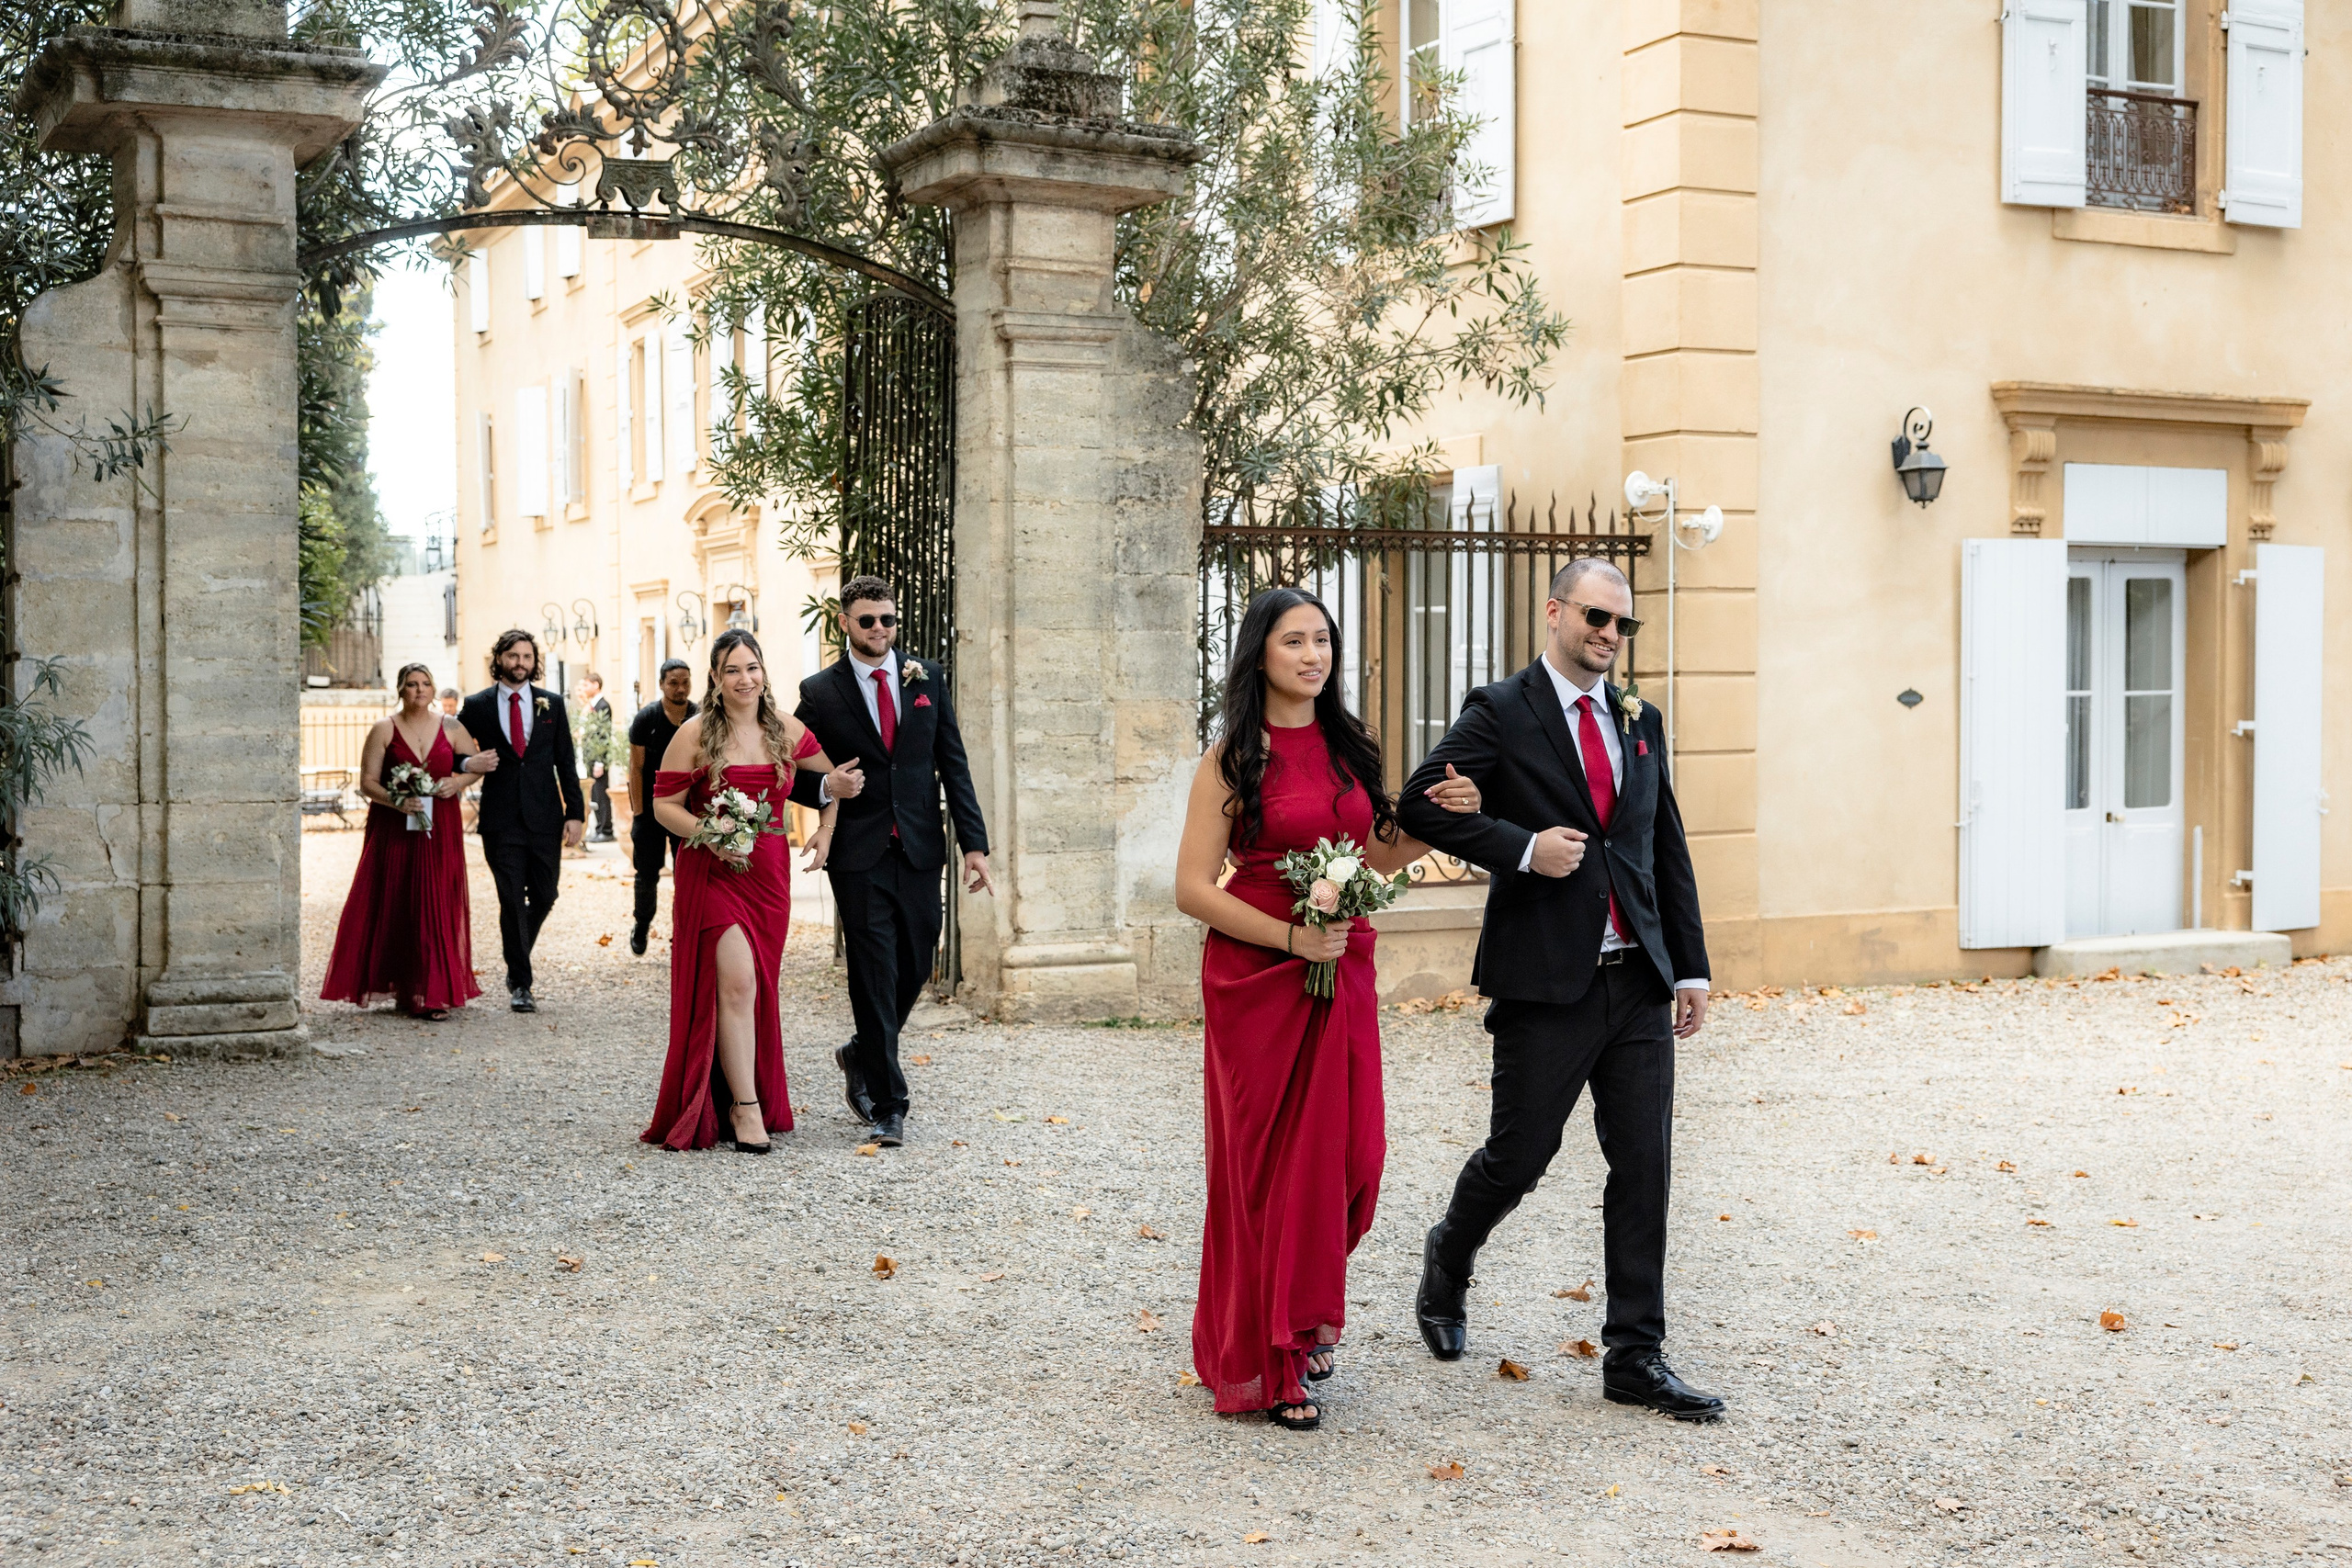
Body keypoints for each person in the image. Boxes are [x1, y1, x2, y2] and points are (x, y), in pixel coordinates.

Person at [1396, 557, 1719, 1422]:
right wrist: (1523, 844)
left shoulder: (1637, 718)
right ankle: (1449, 1255)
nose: (1609, 635)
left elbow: (1663, 846)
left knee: (1643, 1166)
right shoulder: (1501, 711)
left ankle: (1634, 1356)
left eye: (1622, 624)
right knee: (1520, 1155)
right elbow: (1417, 800)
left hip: (1639, 980)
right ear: (1554, 613)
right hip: (1546, 982)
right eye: (1595, 618)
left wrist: (1689, 964)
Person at [1171, 586, 1484, 1432]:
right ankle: (1277, 1353)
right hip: (1259, 974)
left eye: (1323, 641)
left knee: (1353, 1156)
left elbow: (1374, 849)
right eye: (1295, 642)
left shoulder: (1350, 745)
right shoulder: (1232, 758)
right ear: (1259, 656)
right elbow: (1193, 887)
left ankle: (1299, 1309)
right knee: (1272, 1168)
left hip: (1341, 963)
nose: (1314, 656)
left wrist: (1441, 823)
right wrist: (1287, 937)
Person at [787, 575, 989, 1149]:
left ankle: (861, 1051)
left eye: (888, 620)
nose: (880, 629)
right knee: (872, 971)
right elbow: (793, 772)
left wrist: (973, 844)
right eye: (868, 620)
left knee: (919, 960)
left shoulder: (926, 677)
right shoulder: (820, 692)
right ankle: (889, 1103)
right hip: (858, 851)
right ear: (845, 623)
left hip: (921, 845)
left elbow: (954, 764)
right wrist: (828, 786)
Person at [642, 629, 863, 1153]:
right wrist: (711, 837)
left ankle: (739, 1094)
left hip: (768, 875)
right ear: (716, 679)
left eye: (753, 668)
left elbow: (831, 782)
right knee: (737, 983)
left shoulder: (786, 729)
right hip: (713, 871)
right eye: (733, 670)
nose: (745, 679)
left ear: (764, 672)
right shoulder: (694, 733)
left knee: (754, 988)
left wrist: (825, 832)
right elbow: (663, 805)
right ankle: (745, 1109)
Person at [321, 663, 492, 1021]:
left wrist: (457, 784)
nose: (419, 690)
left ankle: (433, 993)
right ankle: (403, 984)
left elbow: (475, 766)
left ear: (433, 689)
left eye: (426, 683)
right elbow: (367, 782)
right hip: (394, 826)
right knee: (399, 899)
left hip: (440, 825)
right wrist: (397, 801)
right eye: (412, 684)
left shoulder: (452, 727)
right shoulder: (383, 729)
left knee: (438, 899)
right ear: (400, 689)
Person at [458, 630, 586, 1013]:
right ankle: (522, 984)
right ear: (499, 659)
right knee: (511, 899)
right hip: (500, 820)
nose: (520, 664)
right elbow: (448, 750)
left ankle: (517, 955)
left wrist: (575, 813)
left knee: (546, 895)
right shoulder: (477, 705)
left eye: (527, 657)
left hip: (545, 817)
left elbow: (566, 761)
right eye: (512, 656)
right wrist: (467, 764)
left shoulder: (553, 704)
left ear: (535, 662)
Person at [627, 658, 696, 955]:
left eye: (685, 682)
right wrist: (639, 813)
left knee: (688, 876)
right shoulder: (646, 720)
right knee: (647, 875)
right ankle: (642, 924)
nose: (680, 689)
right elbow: (636, 767)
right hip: (653, 811)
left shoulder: (700, 716)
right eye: (673, 683)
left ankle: (684, 934)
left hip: (689, 811)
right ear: (661, 684)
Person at [579, 672, 617, 843]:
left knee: (601, 794)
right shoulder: (592, 706)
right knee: (594, 794)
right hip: (590, 758)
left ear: (596, 685)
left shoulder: (603, 706)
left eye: (586, 685)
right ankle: (598, 828)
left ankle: (606, 829)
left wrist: (600, 761)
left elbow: (604, 735)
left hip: (598, 759)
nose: (584, 689)